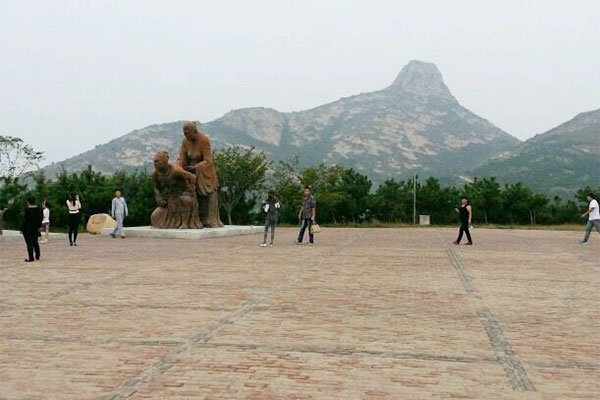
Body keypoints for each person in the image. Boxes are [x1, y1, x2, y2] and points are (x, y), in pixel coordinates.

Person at [177, 121, 223, 228]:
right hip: (191, 172)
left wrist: (196, 167)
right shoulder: (185, 142)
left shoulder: (204, 140)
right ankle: (195, 220)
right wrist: (179, 167)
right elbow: (182, 158)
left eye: (188, 133)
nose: (186, 136)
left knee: (209, 196)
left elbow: (208, 160)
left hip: (205, 173)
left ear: (194, 131)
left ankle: (211, 220)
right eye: (185, 134)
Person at [21, 196, 42, 262]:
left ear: (28, 202)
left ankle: (31, 257)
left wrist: (21, 228)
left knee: (29, 243)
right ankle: (37, 255)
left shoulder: (27, 210)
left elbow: (25, 220)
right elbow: (40, 218)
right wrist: (39, 226)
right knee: (35, 242)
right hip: (36, 228)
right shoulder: (38, 209)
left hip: (28, 228)